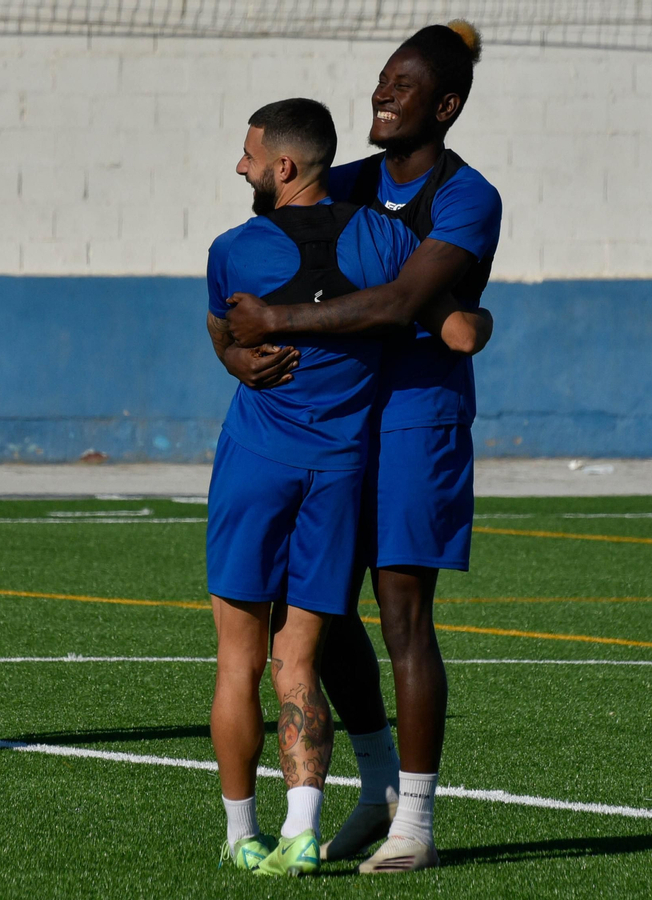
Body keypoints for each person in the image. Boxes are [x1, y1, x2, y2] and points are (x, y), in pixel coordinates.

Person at [222, 21, 501, 874]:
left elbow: (397, 305)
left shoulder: (468, 197)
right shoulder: (344, 179)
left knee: (403, 615)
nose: (382, 94)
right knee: (320, 610)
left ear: (445, 106)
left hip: (418, 417)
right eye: (382, 79)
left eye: (404, 85)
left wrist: (278, 320)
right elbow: (271, 237)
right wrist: (236, 347)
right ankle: (376, 782)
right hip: (340, 422)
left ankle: (415, 820)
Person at [204, 98, 419, 877]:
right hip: (338, 472)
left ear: (284, 168)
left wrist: (237, 360)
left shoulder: (235, 248)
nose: (241, 165)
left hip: (255, 463)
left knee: (238, 662)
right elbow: (431, 314)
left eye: (250, 154)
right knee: (298, 662)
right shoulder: (391, 239)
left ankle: (241, 837)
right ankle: (302, 832)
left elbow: (222, 329)